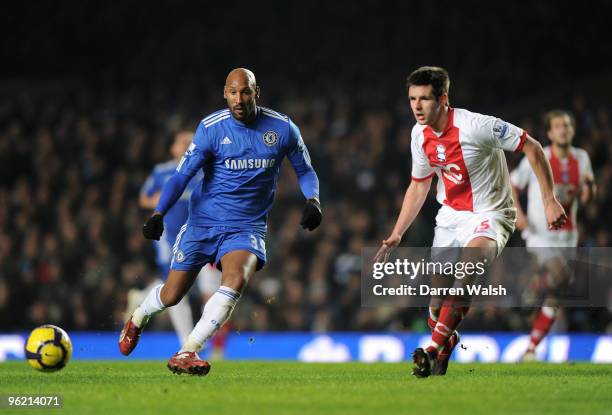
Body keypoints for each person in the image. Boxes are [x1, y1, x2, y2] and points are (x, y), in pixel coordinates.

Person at [119, 68, 322, 375]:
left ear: (257, 93)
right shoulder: (210, 128)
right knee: (172, 295)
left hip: (247, 226)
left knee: (235, 280)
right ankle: (138, 317)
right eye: (233, 93)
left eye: (245, 92)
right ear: (224, 94)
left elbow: (305, 171)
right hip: (203, 223)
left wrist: (313, 200)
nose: (239, 99)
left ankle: (188, 351)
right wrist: (159, 212)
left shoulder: (282, 128)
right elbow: (182, 176)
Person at [374, 66, 566, 377]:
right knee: (436, 305)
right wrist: (397, 232)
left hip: (491, 214)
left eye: (424, 98)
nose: (417, 106)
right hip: (450, 217)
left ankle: (432, 349)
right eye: (412, 98)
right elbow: (420, 183)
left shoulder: (477, 126)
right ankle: (446, 341)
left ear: (443, 99)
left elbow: (532, 146)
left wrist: (548, 199)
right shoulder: (418, 134)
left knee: (468, 271)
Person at [510, 110, 595, 361]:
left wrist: (589, 188)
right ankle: (531, 289)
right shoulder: (539, 156)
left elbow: (587, 198)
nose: (563, 130)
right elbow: (512, 184)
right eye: (558, 126)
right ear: (549, 132)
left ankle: (531, 348)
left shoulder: (582, 157)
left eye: (567, 125)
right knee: (561, 275)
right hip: (539, 234)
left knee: (556, 295)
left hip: (567, 237)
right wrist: (517, 213)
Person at [130, 131, 222, 346]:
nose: (187, 145)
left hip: (202, 236)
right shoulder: (162, 172)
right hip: (168, 238)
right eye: (182, 142)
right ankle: (186, 341)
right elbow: (144, 198)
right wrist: (159, 202)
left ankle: (142, 296)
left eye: (191, 141)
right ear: (173, 148)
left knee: (211, 289)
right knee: (175, 289)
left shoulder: (206, 171)